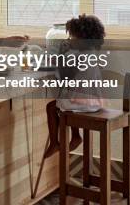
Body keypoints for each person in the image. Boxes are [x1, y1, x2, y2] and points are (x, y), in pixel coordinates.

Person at [44, 14, 106, 158]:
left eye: (72, 37)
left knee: (52, 107)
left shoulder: (78, 56)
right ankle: (76, 136)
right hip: (94, 101)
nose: (68, 40)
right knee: (66, 101)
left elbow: (65, 78)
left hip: (82, 103)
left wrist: (61, 54)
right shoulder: (91, 54)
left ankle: (54, 142)